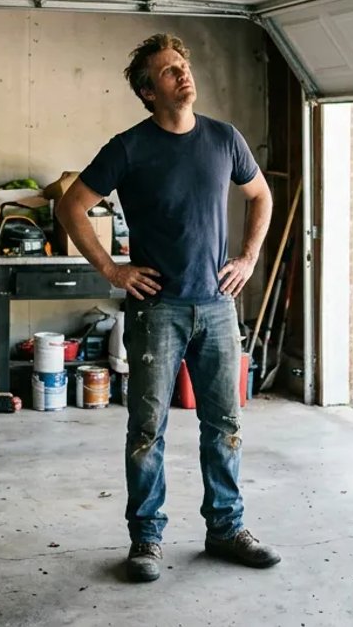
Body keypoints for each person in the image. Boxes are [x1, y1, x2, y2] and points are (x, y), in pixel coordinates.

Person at [55, 33, 279, 584]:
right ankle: (146, 539)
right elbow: (71, 205)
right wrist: (112, 270)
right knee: (146, 430)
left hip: (218, 306)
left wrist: (248, 257)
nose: (183, 75)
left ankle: (226, 529)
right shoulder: (128, 147)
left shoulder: (224, 139)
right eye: (168, 71)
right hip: (158, 312)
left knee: (223, 423)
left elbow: (260, 195)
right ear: (146, 92)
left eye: (183, 65)